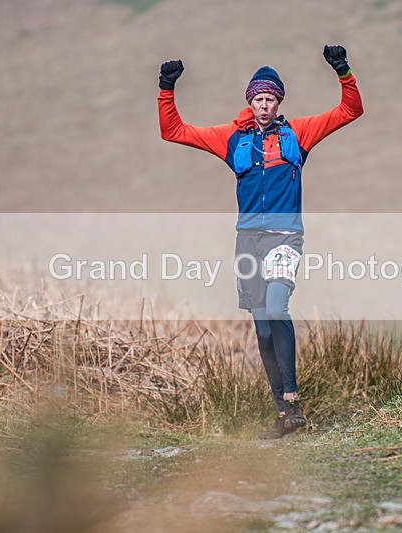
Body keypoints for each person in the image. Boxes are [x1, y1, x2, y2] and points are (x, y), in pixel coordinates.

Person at [158, 45, 363, 439]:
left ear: (278, 101)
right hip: (247, 242)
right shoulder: (231, 139)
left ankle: (293, 400)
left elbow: (349, 111)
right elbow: (174, 131)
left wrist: (343, 71)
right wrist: (167, 87)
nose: (264, 105)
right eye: (258, 99)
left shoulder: (298, 133)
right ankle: (283, 414)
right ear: (249, 102)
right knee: (262, 329)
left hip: (285, 237)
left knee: (275, 307)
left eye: (270, 99)